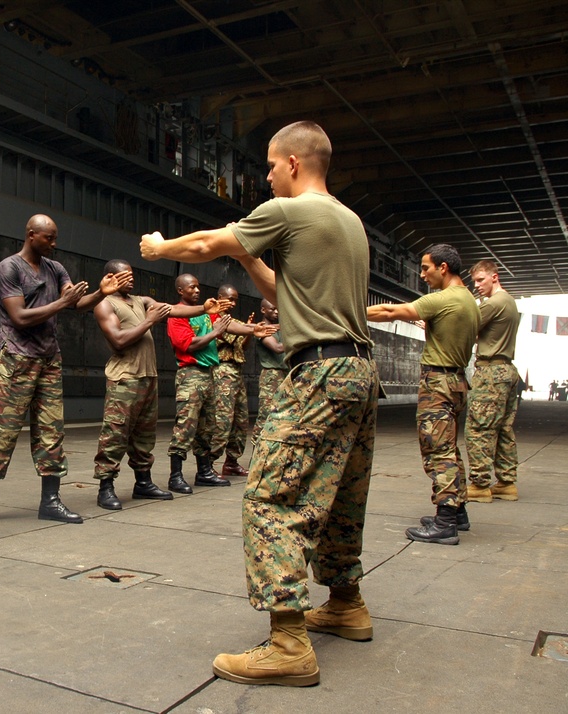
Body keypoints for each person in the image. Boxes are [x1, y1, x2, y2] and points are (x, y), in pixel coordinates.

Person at [141, 120, 379, 688]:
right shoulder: (349, 221)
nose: (267, 176)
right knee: (341, 492)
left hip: (317, 371)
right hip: (357, 371)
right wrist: (251, 259)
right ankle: (346, 603)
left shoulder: (293, 211)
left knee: (270, 497)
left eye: (270, 166)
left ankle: (289, 643)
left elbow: (203, 244)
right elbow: (287, 295)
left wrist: (159, 247)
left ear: (294, 163)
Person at [0, 214, 126, 526]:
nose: (54, 244)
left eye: (55, 238)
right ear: (31, 235)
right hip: (15, 358)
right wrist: (61, 302)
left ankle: (51, 501)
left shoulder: (55, 268)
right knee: (2, 431)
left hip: (48, 359)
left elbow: (77, 303)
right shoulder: (9, 268)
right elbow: (20, 317)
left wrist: (100, 293)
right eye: (49, 238)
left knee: (51, 432)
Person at [91, 260, 231, 509]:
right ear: (111, 277)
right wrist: (148, 321)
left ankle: (143, 483)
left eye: (132, 274)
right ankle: (106, 487)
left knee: (144, 435)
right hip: (124, 378)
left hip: (148, 376)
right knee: (115, 434)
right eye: (126, 275)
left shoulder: (142, 301)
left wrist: (204, 308)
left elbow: (174, 311)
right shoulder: (104, 304)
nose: (132, 279)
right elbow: (118, 340)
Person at [367, 244, 479, 545]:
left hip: (438, 383)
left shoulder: (443, 299)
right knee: (451, 449)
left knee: (437, 451)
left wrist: (349, 312)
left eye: (426, 267)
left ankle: (445, 523)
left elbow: (390, 310)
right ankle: (458, 513)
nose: (422, 273)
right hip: (455, 382)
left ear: (444, 268)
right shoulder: (468, 300)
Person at [165, 274, 233, 492]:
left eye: (197, 287)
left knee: (206, 428)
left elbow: (227, 327)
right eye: (191, 287)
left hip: (209, 374)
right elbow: (189, 345)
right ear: (180, 290)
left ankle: (204, 472)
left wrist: (254, 330)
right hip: (190, 375)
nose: (196, 291)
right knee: (185, 426)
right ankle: (175, 476)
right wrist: (215, 332)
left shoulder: (207, 314)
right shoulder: (177, 315)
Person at [465, 260, 520, 503]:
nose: (477, 286)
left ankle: (479, 485)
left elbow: (465, 327)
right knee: (503, 428)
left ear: (494, 277)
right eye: (475, 281)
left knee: (479, 428)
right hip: (507, 370)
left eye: (481, 280)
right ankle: (506, 483)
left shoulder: (493, 303)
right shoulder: (509, 301)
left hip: (490, 373)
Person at [210, 285, 275, 479]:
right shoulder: (215, 319)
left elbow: (242, 347)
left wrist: (248, 330)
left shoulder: (235, 321)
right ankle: (208, 463)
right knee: (223, 419)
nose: (232, 303)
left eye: (235, 300)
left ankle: (232, 462)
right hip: (222, 371)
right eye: (229, 298)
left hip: (236, 372)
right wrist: (251, 328)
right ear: (219, 297)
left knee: (240, 421)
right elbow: (229, 336)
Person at [251, 299, 288, 446]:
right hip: (272, 376)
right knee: (265, 417)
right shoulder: (263, 330)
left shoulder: (279, 328)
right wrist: (298, 336)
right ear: (263, 310)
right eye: (272, 309)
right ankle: (255, 455)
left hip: (285, 374)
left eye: (278, 309)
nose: (277, 312)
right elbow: (278, 348)